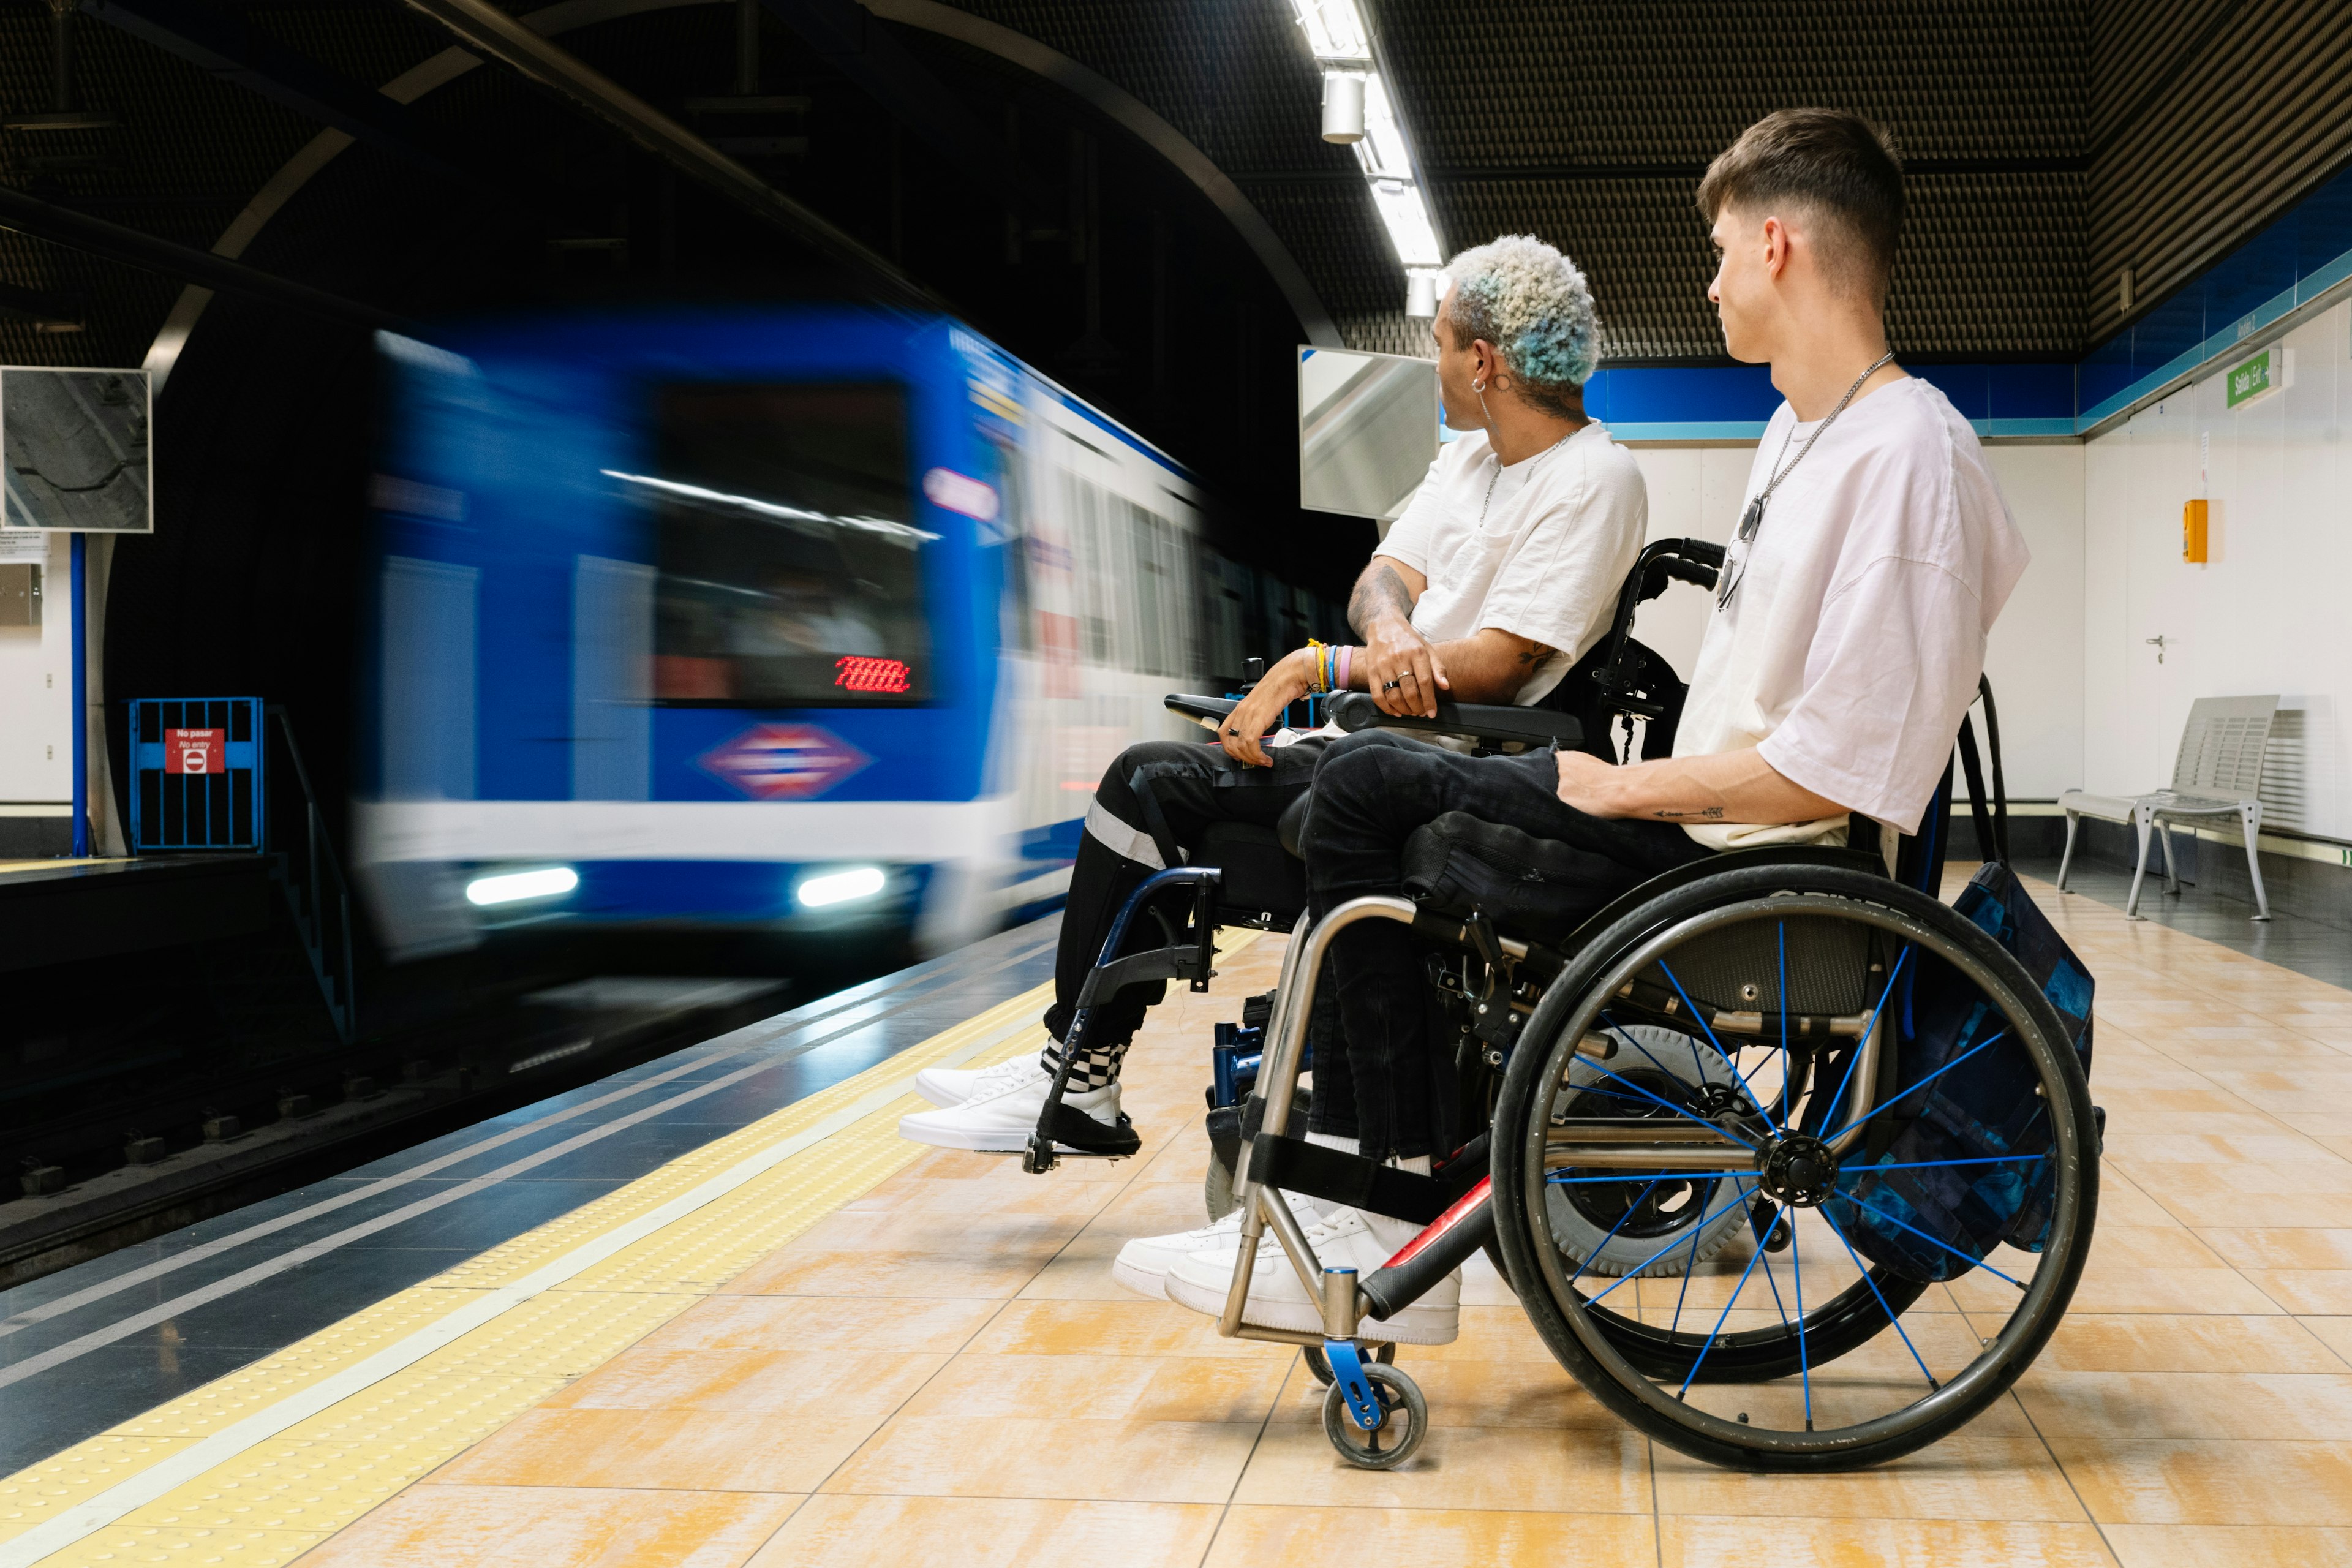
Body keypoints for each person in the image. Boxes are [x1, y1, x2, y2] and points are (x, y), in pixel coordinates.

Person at [1156, 107, 2032, 1345]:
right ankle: (1355, 1185)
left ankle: (1379, 1213)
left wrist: (1622, 788)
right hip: (1711, 838)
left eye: (1722, 249)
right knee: (1357, 779)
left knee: (1357, 796)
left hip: (1764, 874)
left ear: (1778, 246)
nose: (1712, 277)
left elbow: (1847, 768)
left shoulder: (1908, 460)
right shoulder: (1802, 432)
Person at [898, 234, 1648, 1156]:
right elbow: (1382, 577)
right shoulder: (1467, 463)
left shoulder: (1595, 479)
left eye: (1443, 339)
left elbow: (1496, 665)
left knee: (1149, 781)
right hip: (1380, 739)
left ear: (1484, 361)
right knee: (1146, 779)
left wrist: (1314, 667)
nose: (1435, 360)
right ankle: (1079, 1068)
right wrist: (1389, 633)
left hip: (1440, 773)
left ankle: (1079, 1073)